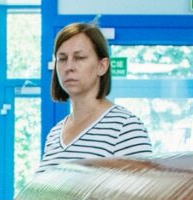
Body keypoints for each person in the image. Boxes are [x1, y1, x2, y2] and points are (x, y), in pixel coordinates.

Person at [37, 22, 153, 173]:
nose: (69, 67)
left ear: (102, 66)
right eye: (62, 59)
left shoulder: (124, 127)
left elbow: (142, 193)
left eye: (79, 57)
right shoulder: (55, 133)